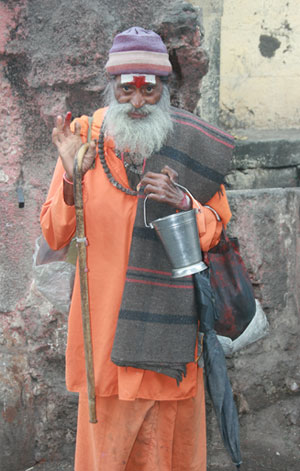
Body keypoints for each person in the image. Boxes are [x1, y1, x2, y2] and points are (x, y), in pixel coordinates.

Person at [40, 27, 233, 471]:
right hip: (105, 340)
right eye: (127, 89)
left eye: (150, 89)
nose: (138, 102)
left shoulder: (190, 142)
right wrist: (71, 179)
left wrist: (184, 202)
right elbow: (54, 235)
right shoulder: (82, 138)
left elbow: (216, 230)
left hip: (170, 340)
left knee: (173, 456)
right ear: (113, 87)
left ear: (165, 89)